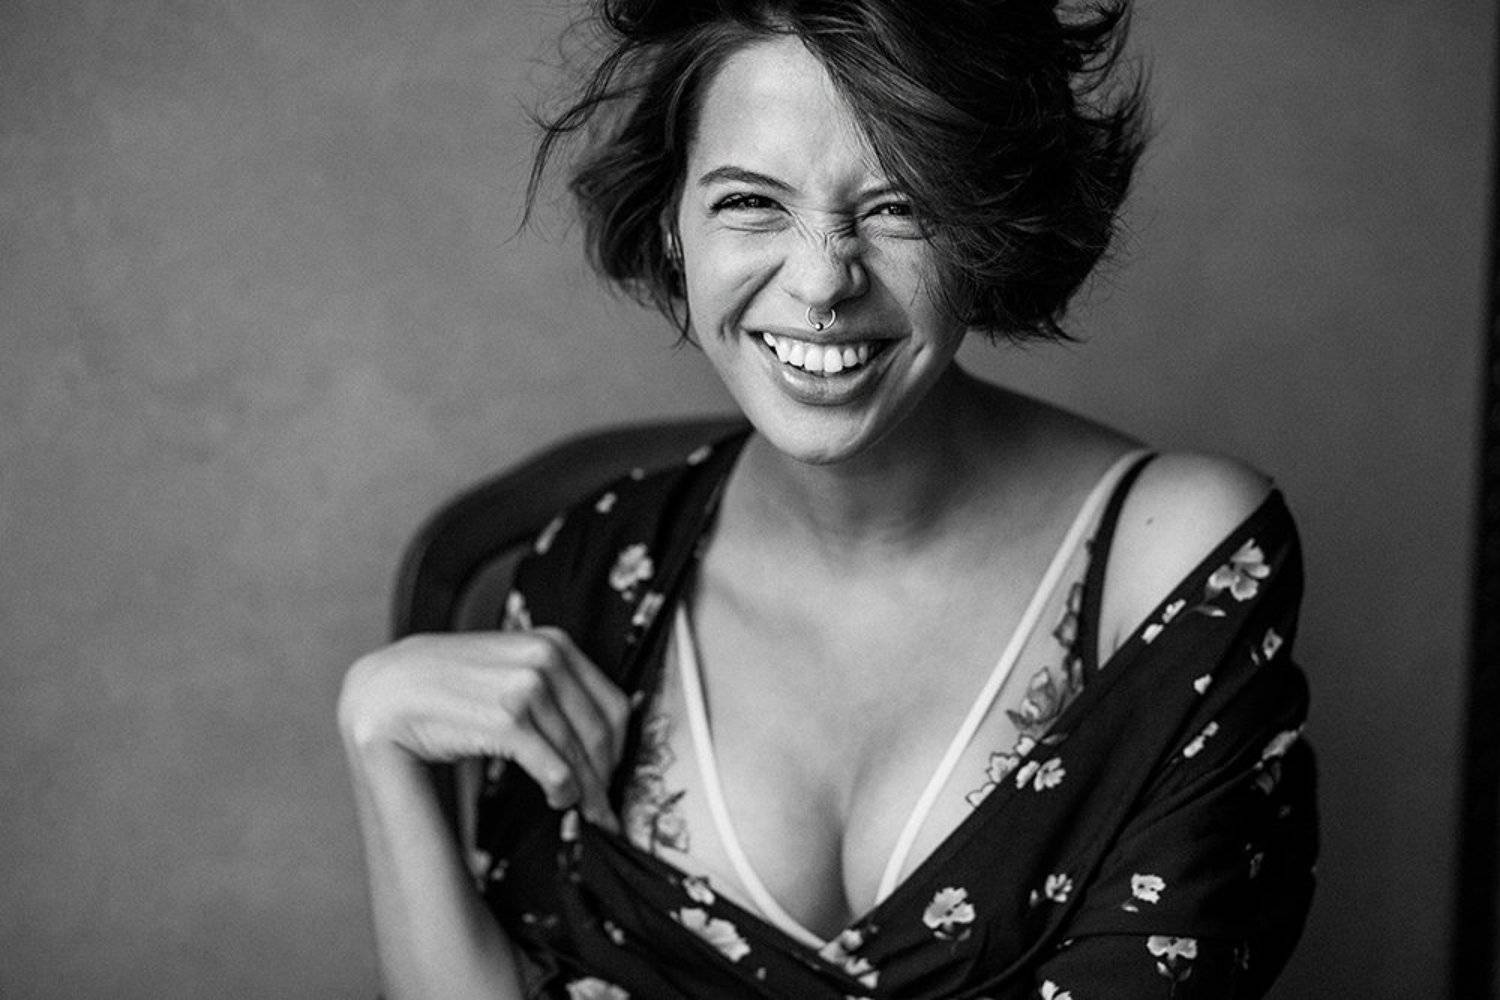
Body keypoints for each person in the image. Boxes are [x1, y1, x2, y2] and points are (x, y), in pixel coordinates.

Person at [337, 1, 1317, 997]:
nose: (821, 283)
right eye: (751, 203)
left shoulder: (1174, 557)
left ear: (987, 225)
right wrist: (377, 736)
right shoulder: (588, 571)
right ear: (673, 222)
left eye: (900, 207)